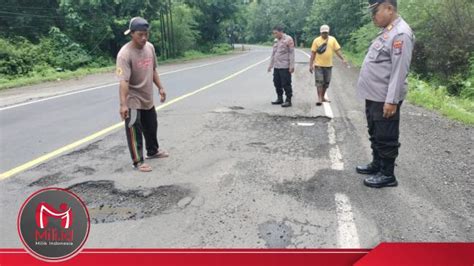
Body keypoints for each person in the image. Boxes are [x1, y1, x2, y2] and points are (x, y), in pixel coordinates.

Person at [356, 0, 414, 188]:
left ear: (389, 8)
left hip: (384, 98)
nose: (374, 16)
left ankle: (387, 174)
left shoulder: (400, 34)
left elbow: (399, 71)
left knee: (386, 136)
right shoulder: (388, 31)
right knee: (375, 132)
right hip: (374, 96)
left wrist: (392, 101)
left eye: (376, 11)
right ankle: (377, 165)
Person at [116, 17, 169, 172]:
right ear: (131, 34)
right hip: (132, 98)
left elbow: (153, 70)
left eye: (146, 34)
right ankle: (138, 161)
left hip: (147, 96)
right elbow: (123, 81)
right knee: (134, 128)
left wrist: (160, 87)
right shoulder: (124, 54)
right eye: (140, 35)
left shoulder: (150, 48)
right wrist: (123, 104)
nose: (144, 38)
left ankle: (152, 151)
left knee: (152, 125)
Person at [309, 25, 348, 106]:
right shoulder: (316, 40)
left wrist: (343, 59)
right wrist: (311, 65)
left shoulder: (332, 39)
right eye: (323, 33)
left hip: (328, 65)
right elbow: (313, 53)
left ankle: (323, 97)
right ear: (320, 33)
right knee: (319, 82)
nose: (325, 34)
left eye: (326, 33)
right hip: (318, 65)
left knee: (326, 82)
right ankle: (319, 98)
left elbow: (337, 50)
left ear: (328, 32)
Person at [267, 25, 295, 108]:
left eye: (276, 33)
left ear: (281, 32)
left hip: (285, 66)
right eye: (274, 33)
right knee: (276, 83)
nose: (274, 35)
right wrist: (270, 65)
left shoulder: (288, 39)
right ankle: (280, 98)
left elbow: (291, 53)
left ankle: (288, 100)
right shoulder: (276, 41)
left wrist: (291, 66)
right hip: (277, 66)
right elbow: (273, 53)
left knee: (286, 83)